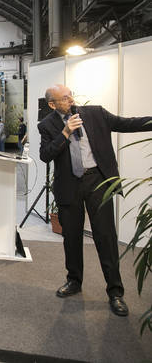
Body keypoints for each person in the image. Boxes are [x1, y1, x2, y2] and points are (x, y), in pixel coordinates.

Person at [38, 84, 152, 316]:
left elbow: (127, 123)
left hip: (97, 182)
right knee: (71, 237)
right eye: (65, 98)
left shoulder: (95, 113)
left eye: (71, 95)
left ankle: (115, 292)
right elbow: (45, 155)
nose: (71, 100)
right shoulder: (47, 125)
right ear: (52, 104)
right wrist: (65, 133)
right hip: (69, 186)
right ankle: (74, 281)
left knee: (105, 236)